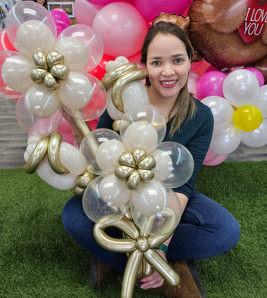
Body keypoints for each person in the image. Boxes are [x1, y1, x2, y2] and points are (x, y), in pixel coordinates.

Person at [62, 19, 240, 298]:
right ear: (145, 65)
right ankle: (142, 257)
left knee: (225, 231)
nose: (168, 71)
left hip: (166, 200)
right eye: (157, 62)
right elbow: (99, 155)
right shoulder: (121, 97)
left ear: (189, 62)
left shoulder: (201, 116)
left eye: (177, 60)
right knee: (73, 215)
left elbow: (183, 187)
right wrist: (74, 126)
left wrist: (161, 244)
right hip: (119, 197)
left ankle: (124, 253)